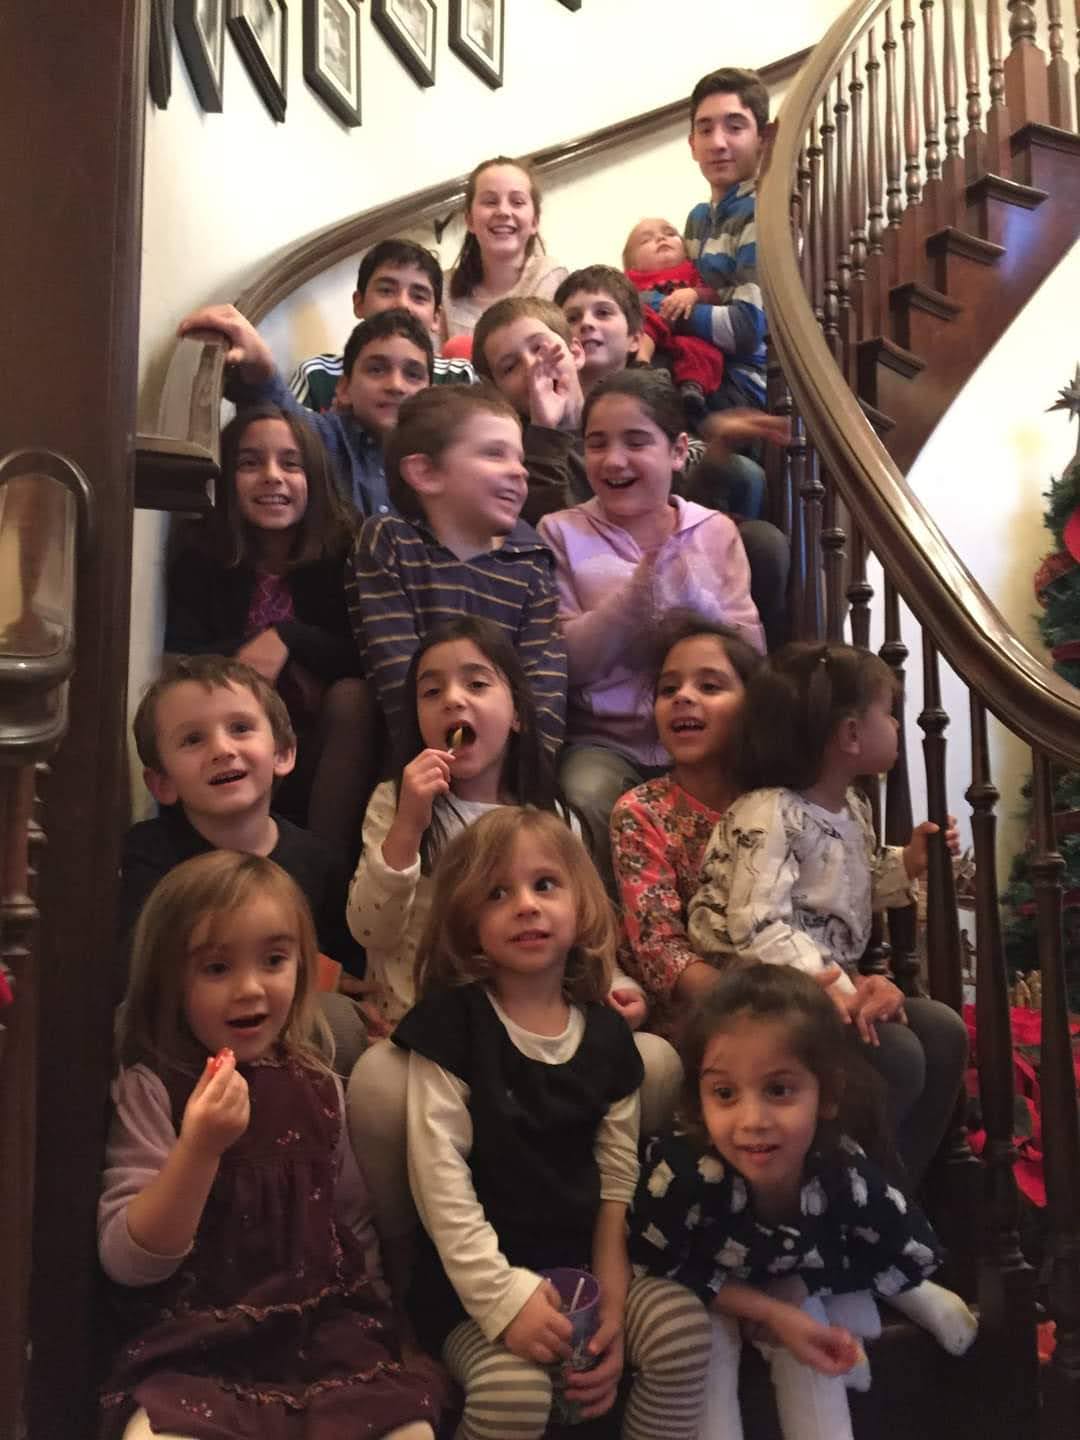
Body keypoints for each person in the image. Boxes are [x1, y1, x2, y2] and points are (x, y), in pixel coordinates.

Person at [345, 621, 678, 1315]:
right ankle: (403, 1268)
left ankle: (609, 1245)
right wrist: (409, 821)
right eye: (431, 691)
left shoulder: (552, 817)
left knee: (657, 1062)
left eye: (476, 683)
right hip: (437, 1037)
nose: (453, 701)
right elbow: (369, 928)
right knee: (376, 1083)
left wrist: (620, 987)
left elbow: (588, 933)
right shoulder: (397, 806)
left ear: (519, 712)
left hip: (536, 1036)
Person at [391, 807, 713, 1439]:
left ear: (580, 903)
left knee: (680, 1331)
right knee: (515, 1393)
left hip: (586, 1272)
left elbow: (616, 1186)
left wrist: (614, 1308)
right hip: (472, 1286)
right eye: (497, 893)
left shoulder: (608, 1039)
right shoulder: (451, 1026)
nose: (525, 906)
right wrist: (503, 1301)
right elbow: (439, 1183)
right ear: (467, 919)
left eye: (544, 885)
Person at [98, 851, 441, 1440]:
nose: (250, 988)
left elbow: (352, 1225)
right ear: (168, 980)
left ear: (302, 968)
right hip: (195, 1349)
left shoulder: (320, 1086)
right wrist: (199, 1150)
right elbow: (129, 1261)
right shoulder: (153, 1088)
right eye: (216, 968)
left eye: (274, 960)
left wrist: (392, 1330)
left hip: (325, 1340)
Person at [628, 965, 977, 1440]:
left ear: (827, 1095)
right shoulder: (682, 1176)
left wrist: (806, 1288)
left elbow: (908, 1246)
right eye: (724, 1093)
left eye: (778, 1090)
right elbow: (660, 1262)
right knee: (713, 1352)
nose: (752, 1120)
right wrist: (769, 1311)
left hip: (802, 1263)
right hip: (714, 1281)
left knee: (815, 1337)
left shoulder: (844, 1173)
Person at [688, 641, 970, 1186]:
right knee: (896, 1053)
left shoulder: (852, 807)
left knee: (943, 1031)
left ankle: (889, 1197)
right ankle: (836, 1197)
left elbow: (851, 884)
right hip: (757, 993)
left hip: (822, 988)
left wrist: (909, 862)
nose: (897, 724)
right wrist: (842, 988)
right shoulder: (770, 812)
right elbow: (759, 926)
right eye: (888, 712)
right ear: (851, 734)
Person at [537, 369, 764, 888]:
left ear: (678, 451)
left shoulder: (715, 531)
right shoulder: (560, 531)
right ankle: (614, 932)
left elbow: (750, 653)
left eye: (636, 442)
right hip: (605, 742)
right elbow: (567, 663)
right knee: (586, 795)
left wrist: (690, 598)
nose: (614, 460)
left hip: (710, 739)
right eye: (597, 443)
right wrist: (634, 597)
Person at [165, 404, 372, 854]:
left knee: (354, 697)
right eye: (250, 463)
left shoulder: (344, 551)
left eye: (291, 464)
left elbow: (363, 654)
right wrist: (256, 656)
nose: (272, 477)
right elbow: (182, 656)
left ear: (314, 478)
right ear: (226, 478)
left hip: (316, 747)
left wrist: (288, 638)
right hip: (230, 736)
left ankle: (323, 865)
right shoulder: (201, 556)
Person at [122, 656, 365, 995]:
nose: (222, 749)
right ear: (163, 783)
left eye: (240, 728)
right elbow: (152, 966)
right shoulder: (148, 856)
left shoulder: (319, 863)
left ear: (282, 753)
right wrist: (316, 973)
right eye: (193, 739)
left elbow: (352, 972)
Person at [345, 384, 566, 756]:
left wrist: (521, 773)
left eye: (520, 459)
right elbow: (398, 678)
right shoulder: (390, 542)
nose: (520, 472)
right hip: (422, 760)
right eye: (495, 454)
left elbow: (544, 691)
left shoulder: (531, 561)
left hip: (511, 768)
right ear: (426, 473)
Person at [610, 615, 762, 1039]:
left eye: (709, 686)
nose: (683, 697)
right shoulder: (641, 811)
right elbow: (659, 949)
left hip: (789, 994)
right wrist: (756, 1008)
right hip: (695, 1017)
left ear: (753, 707)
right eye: (668, 689)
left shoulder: (776, 803)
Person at [178, 303, 433, 519]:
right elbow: (280, 412)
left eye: (413, 374)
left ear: (431, 391)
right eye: (377, 369)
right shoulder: (326, 438)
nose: (396, 385)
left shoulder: (443, 457)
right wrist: (262, 369)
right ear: (344, 388)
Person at [289, 238, 477, 413]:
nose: (402, 304)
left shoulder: (459, 378)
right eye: (386, 291)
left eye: (418, 297)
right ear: (359, 303)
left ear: (436, 317)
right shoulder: (316, 377)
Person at [681, 67, 773, 413]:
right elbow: (684, 289)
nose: (718, 143)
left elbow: (747, 328)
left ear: (763, 138)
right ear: (692, 144)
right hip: (706, 370)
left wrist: (659, 308)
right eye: (705, 130)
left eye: (735, 127)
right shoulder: (698, 220)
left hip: (750, 386)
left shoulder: (763, 212)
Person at [443, 156, 567, 340]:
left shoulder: (551, 278)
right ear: (469, 221)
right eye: (490, 202)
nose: (503, 211)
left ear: (535, 221)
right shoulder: (443, 289)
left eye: (517, 202)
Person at [622, 218, 727, 424]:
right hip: (656, 342)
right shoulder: (630, 284)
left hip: (687, 335)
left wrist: (694, 294)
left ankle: (693, 388)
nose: (661, 238)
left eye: (670, 233)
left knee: (703, 350)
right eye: (646, 240)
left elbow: (715, 296)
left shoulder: (694, 273)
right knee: (644, 316)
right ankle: (642, 363)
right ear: (632, 264)